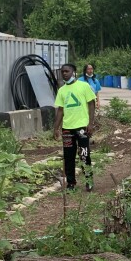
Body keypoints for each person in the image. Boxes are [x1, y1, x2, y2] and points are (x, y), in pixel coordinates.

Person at [53, 63, 96, 191]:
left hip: (82, 127)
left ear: (74, 72)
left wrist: (90, 123)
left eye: (67, 71)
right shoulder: (61, 90)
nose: (64, 74)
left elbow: (91, 104)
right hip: (67, 128)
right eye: (62, 72)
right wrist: (56, 128)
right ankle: (71, 183)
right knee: (68, 156)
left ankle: (89, 180)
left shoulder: (84, 86)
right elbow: (60, 110)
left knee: (84, 154)